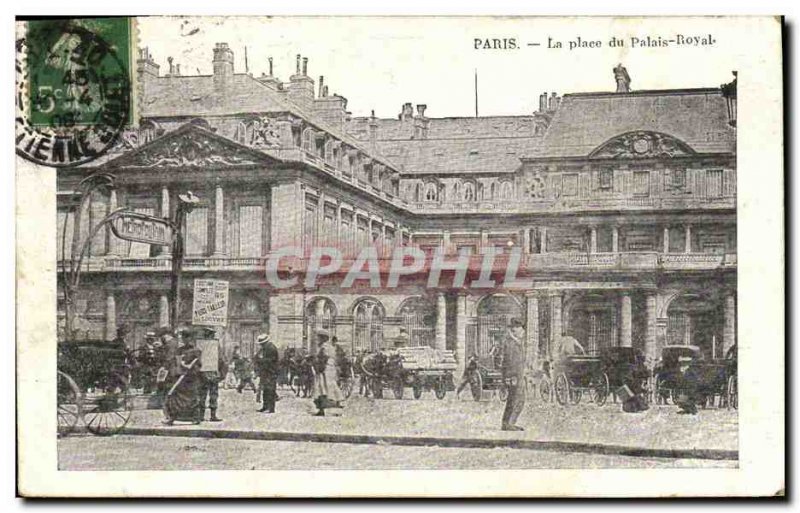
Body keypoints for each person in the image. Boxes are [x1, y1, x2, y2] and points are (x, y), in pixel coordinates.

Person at [162, 330, 204, 425]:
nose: (185, 340)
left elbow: (199, 365)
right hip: (179, 377)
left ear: (191, 338)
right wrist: (179, 366)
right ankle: (171, 418)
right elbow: (175, 361)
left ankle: (196, 418)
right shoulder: (179, 350)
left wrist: (190, 368)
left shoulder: (196, 351)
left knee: (193, 398)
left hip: (191, 378)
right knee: (175, 398)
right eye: (184, 338)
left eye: (187, 337)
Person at [501, 318, 527, 431]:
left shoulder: (516, 342)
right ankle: (508, 423)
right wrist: (509, 377)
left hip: (518, 375)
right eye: (521, 330)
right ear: (515, 329)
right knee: (517, 399)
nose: (523, 333)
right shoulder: (511, 343)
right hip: (514, 376)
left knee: (515, 399)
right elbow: (508, 362)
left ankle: (508, 423)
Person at [312, 330, 345, 416]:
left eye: (319, 337)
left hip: (326, 369)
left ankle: (335, 406)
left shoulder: (325, 347)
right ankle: (322, 410)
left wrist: (319, 365)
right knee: (322, 389)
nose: (317, 339)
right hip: (326, 369)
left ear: (323, 338)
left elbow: (324, 358)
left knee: (326, 388)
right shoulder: (326, 347)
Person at [253, 333, 279, 413]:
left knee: (270, 390)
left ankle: (271, 408)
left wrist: (260, 360)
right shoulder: (265, 348)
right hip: (266, 372)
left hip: (271, 372)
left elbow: (270, 361)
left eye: (261, 343)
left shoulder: (271, 348)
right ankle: (265, 406)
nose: (260, 345)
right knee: (265, 390)